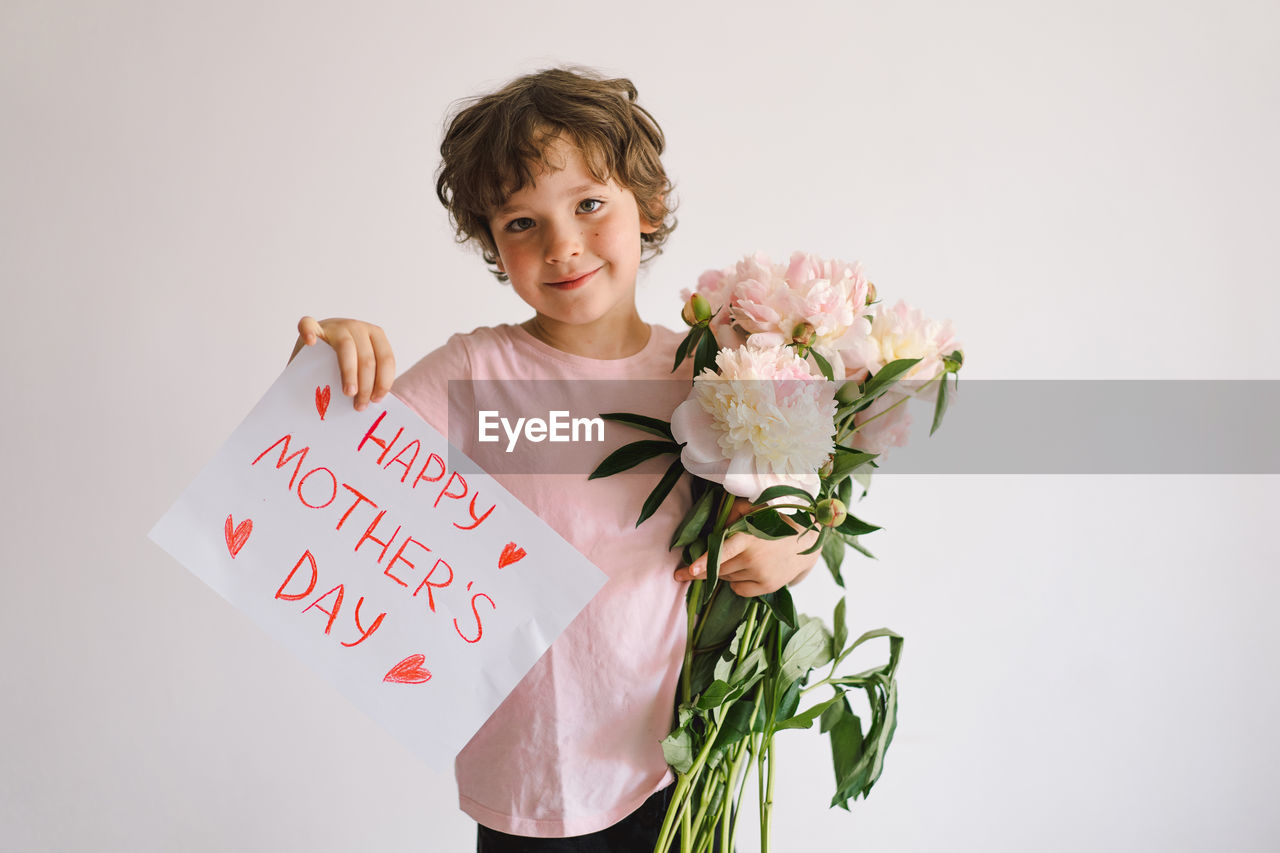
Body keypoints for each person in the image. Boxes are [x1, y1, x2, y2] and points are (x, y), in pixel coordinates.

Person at [290, 67, 817, 851]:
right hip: (531, 775)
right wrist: (327, 358)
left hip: (682, 763)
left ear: (650, 206)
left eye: (589, 205)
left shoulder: (715, 374)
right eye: (521, 223)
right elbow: (318, 469)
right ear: (493, 245)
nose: (562, 244)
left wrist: (793, 546)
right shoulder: (475, 374)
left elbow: (795, 507)